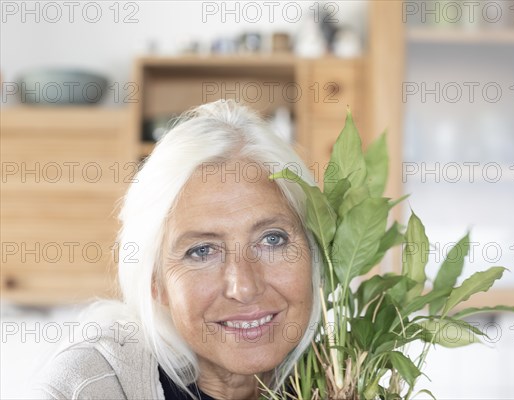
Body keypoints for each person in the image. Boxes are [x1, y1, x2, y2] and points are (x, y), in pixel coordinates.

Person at [36, 100, 322, 400]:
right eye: (202, 251)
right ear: (154, 281)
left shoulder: (354, 371)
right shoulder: (87, 386)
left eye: (272, 239)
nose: (245, 287)